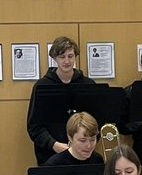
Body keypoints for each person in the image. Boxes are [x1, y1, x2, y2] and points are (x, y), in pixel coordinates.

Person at [26, 35, 94, 166]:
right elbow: (34, 126)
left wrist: (84, 144)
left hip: (83, 155)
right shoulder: (42, 86)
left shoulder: (88, 84)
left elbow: (95, 121)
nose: (66, 61)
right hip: (50, 155)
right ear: (55, 59)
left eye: (70, 56)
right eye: (62, 57)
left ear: (75, 57)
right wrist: (54, 145)